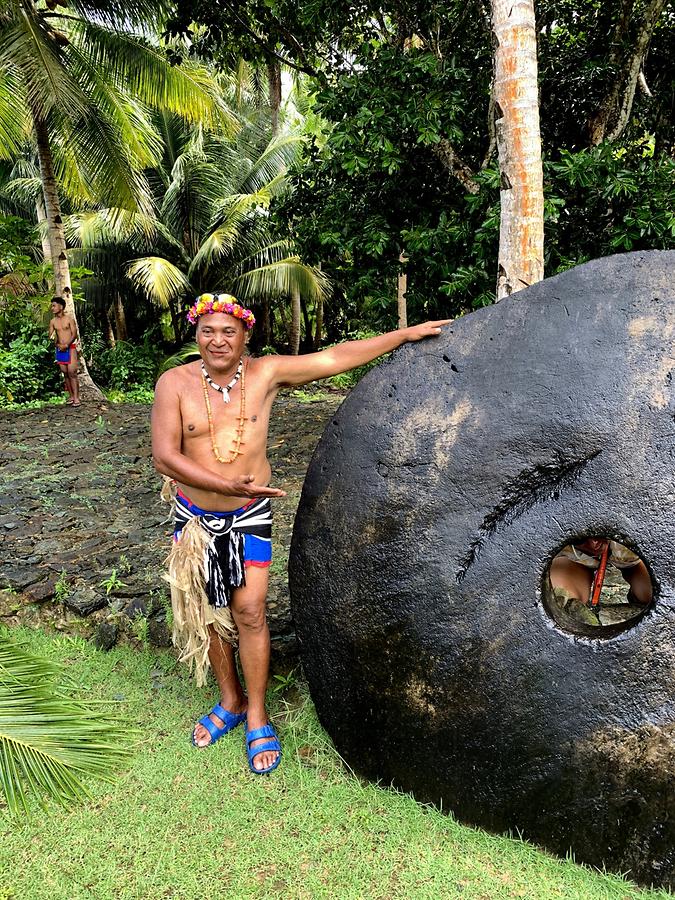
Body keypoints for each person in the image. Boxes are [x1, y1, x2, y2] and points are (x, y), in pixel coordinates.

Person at [152, 291, 452, 774]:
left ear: (245, 336)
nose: (217, 340)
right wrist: (222, 483)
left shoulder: (265, 374)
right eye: (208, 330)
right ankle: (229, 700)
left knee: (249, 612)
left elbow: (333, 358)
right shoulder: (176, 384)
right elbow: (166, 457)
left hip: (249, 513)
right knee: (209, 612)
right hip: (195, 520)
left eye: (228, 331)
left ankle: (256, 712)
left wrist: (402, 335)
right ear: (196, 334)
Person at [550, 537, 652, 623]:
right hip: (574, 555)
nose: (594, 544)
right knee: (561, 597)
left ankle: (636, 592)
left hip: (625, 550)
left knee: (652, 593)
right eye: (585, 538)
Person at [48, 294, 80, 407]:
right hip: (59, 349)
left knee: (72, 372)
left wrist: (66, 344)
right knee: (65, 373)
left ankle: (76, 398)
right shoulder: (52, 322)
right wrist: (57, 344)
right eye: (52, 306)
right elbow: (51, 336)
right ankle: (71, 396)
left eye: (54, 306)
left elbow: (74, 334)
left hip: (70, 348)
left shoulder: (69, 319)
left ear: (61, 307)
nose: (52, 308)